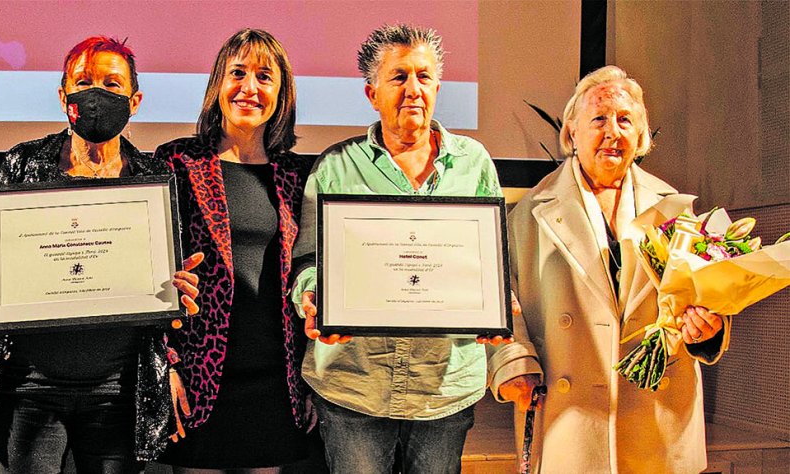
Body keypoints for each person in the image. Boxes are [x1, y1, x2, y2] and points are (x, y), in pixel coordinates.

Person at [290, 24, 540, 474]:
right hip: (354, 386)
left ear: (438, 87)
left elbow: (489, 261)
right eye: (399, 77)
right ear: (372, 93)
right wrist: (312, 298)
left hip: (443, 391)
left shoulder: (474, 163)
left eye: (424, 77)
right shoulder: (335, 166)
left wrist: (494, 304)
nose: (413, 89)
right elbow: (308, 261)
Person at [0, 36, 202, 473]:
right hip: (27, 388)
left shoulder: (154, 178)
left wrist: (176, 293)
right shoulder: (23, 164)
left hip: (118, 392)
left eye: (112, 84)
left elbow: (166, 289)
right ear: (63, 95)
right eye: (82, 82)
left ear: (135, 100)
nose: (96, 94)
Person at [505, 65, 730, 473]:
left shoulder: (676, 209)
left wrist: (708, 328)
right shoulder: (529, 213)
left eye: (625, 120)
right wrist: (514, 366)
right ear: (572, 132)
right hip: (568, 416)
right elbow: (507, 301)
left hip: (658, 418)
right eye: (599, 119)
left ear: (641, 137)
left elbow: (704, 299)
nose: (613, 132)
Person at [153, 29, 316, 473]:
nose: (249, 88)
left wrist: (313, 383)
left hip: (276, 382)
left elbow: (311, 273)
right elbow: (150, 276)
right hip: (198, 377)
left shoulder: (299, 174)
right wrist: (165, 365)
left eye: (264, 77)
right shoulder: (177, 163)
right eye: (237, 73)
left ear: (281, 93)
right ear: (217, 86)